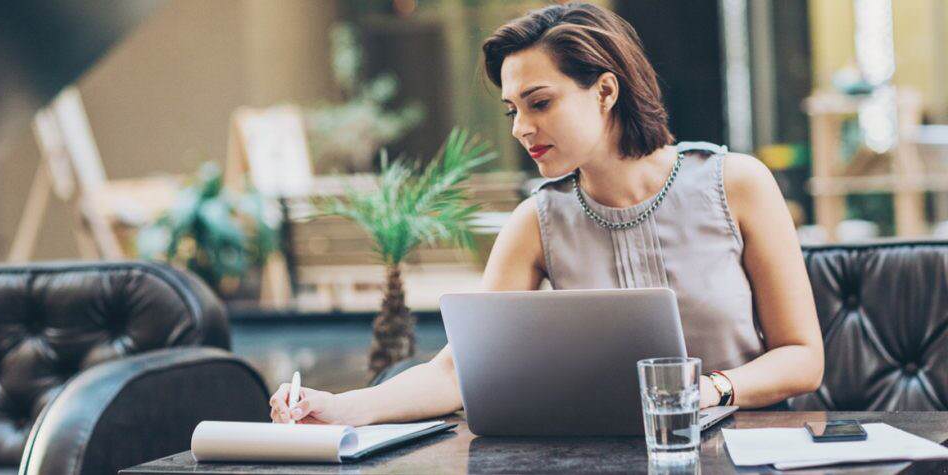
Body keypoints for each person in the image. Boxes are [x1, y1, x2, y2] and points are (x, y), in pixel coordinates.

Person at [270, 2, 824, 426]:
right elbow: (458, 370)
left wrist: (710, 391)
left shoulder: (737, 183)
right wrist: (341, 409)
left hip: (750, 446)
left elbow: (802, 357)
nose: (520, 128)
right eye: (513, 110)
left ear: (605, 90)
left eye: (540, 103)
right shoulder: (536, 221)